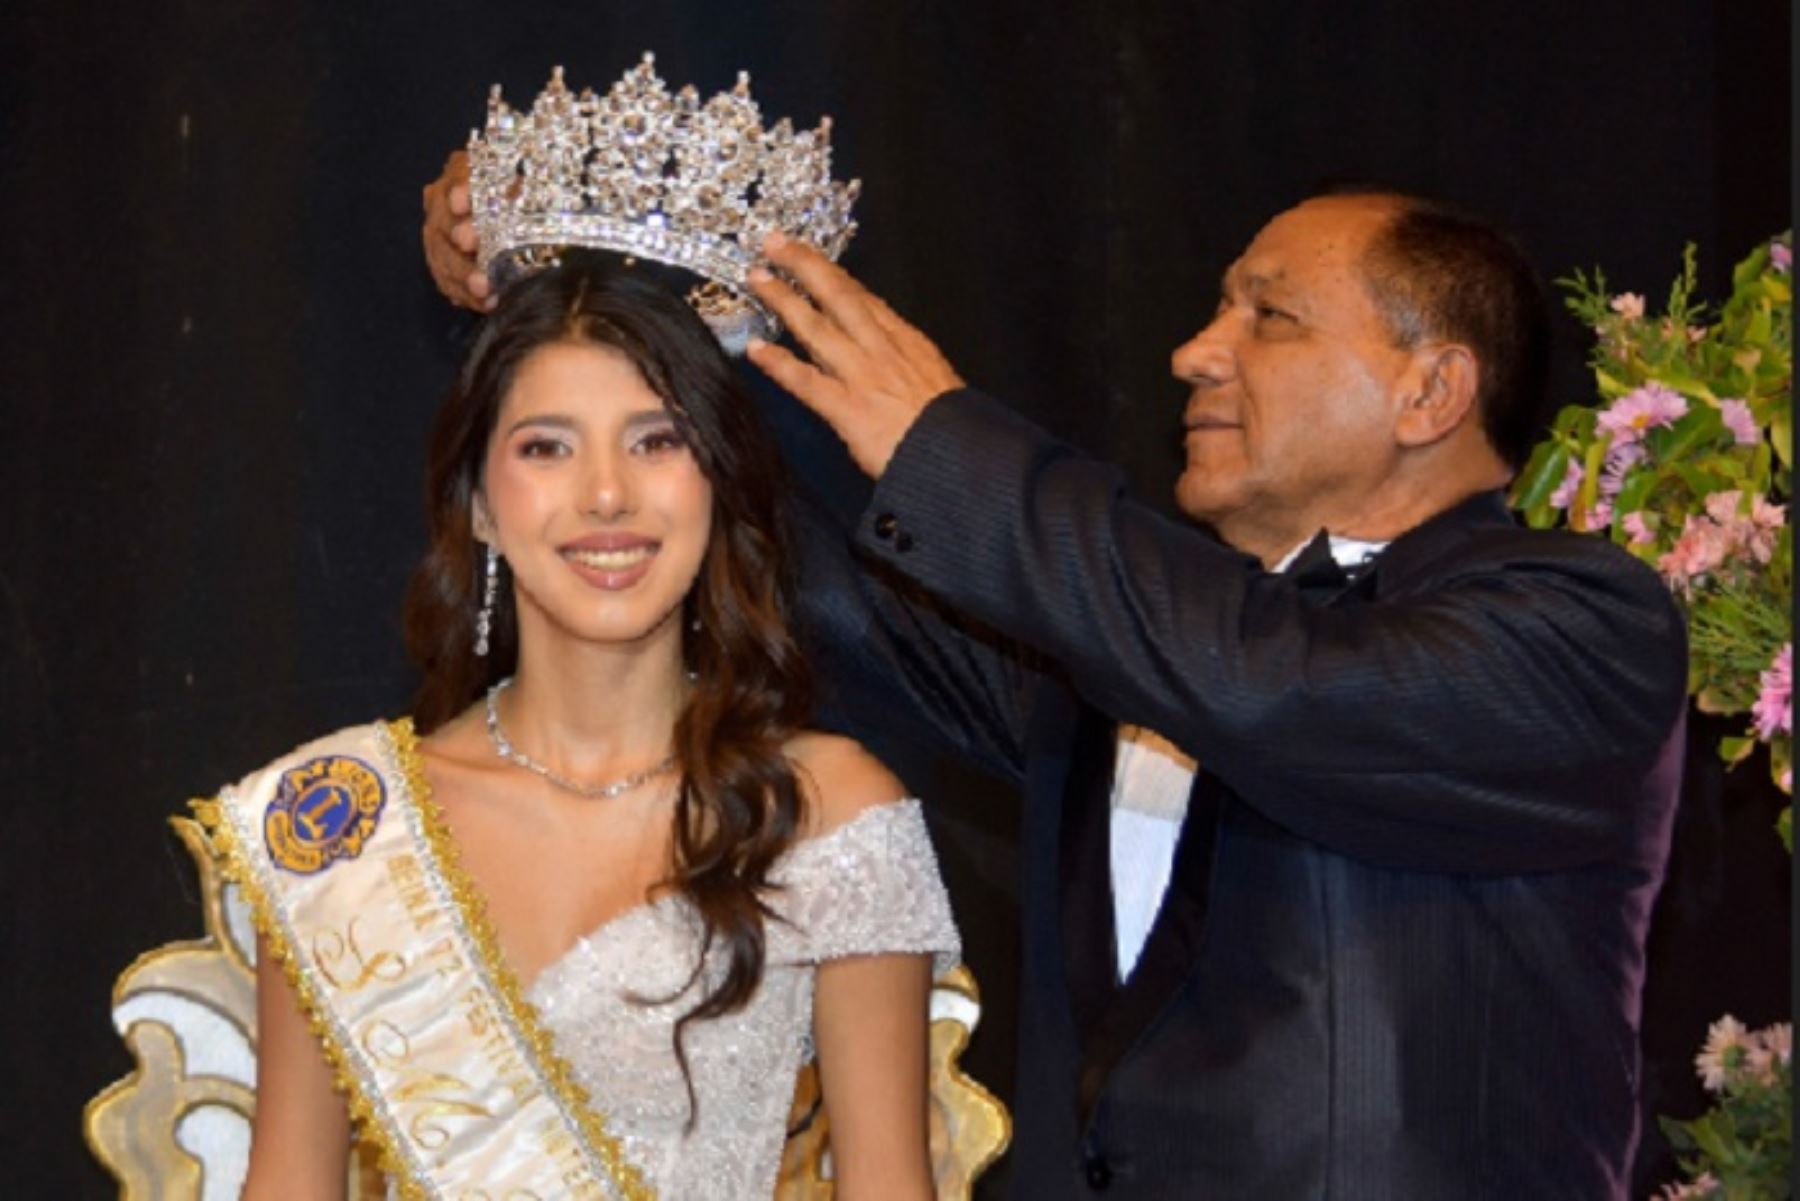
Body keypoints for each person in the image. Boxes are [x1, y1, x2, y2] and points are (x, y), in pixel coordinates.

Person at [425, 173, 1688, 1196]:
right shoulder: (1136, 644)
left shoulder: (1582, 624)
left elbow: (1280, 692)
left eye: (1269, 316)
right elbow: (779, 554)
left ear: (1432, 389)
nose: (1196, 352)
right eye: (1215, 311)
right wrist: (574, 283)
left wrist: (942, 437)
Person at [215, 256, 959, 1201]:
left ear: (717, 484)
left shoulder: (830, 813)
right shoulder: (345, 824)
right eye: (546, 448)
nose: (606, 494)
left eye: (655, 441)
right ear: (479, 501)